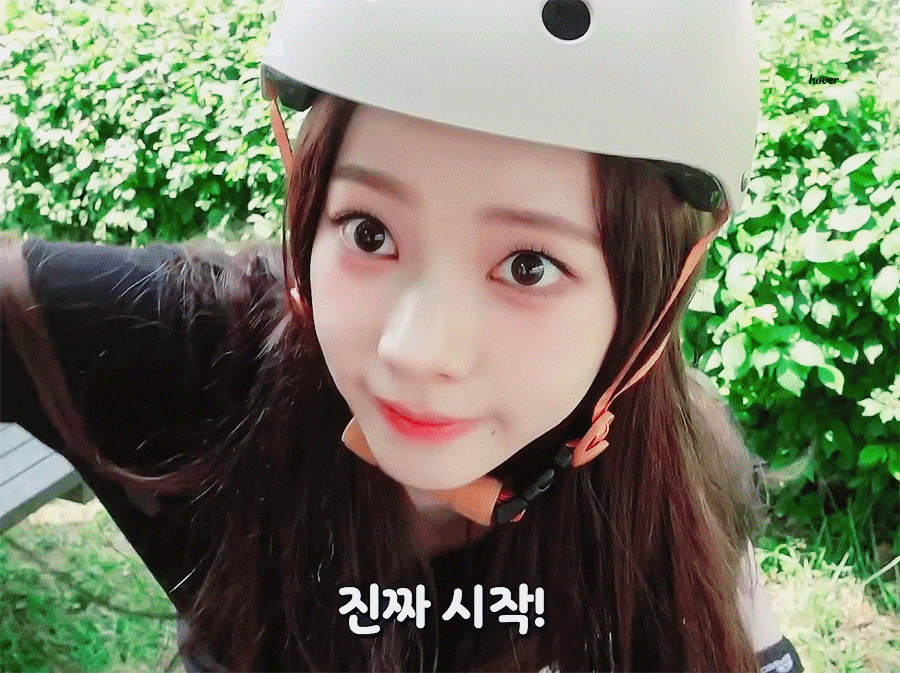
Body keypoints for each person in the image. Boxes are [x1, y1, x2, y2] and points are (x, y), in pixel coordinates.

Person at [0, 0, 806, 670]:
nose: (415, 352)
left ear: (650, 300)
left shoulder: (674, 479)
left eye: (528, 266)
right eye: (369, 232)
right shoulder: (208, 358)